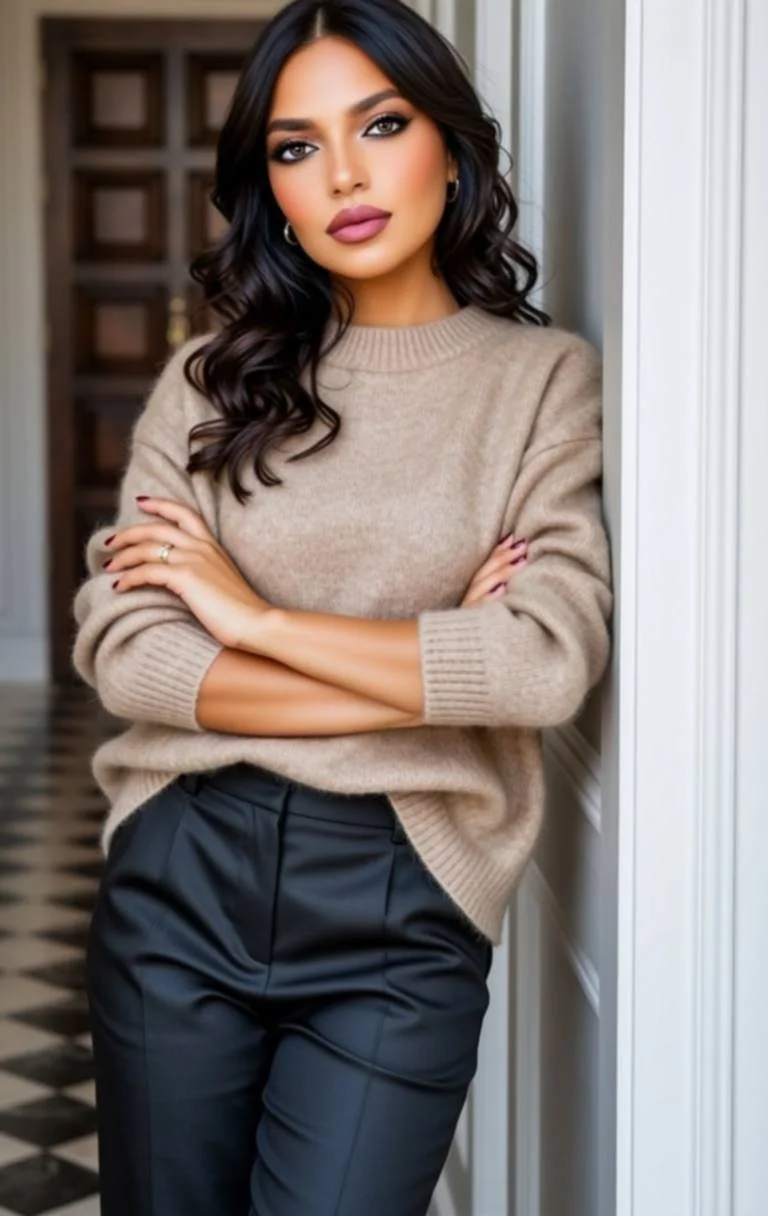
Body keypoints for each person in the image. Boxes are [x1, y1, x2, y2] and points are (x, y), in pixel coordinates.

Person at [71, 1, 614, 1212]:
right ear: (268, 183)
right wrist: (418, 662)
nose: (346, 175)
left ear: (453, 145)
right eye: (296, 145)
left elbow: (539, 664)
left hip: (403, 897)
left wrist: (245, 616)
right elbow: (126, 649)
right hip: (183, 863)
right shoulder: (210, 382)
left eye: (381, 123)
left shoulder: (540, 385)